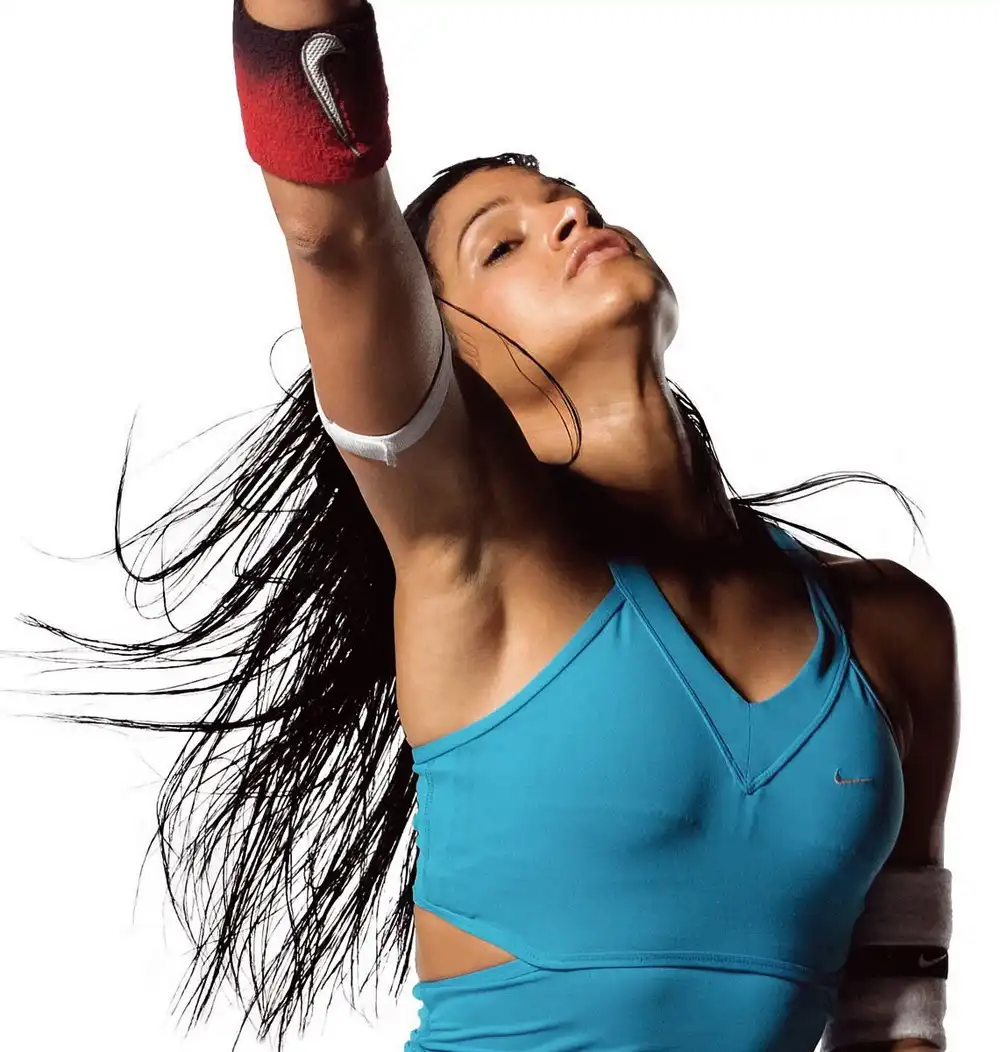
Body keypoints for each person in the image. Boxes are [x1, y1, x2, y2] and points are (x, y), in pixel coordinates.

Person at [19, 2, 958, 1050]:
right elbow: (334, 233)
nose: (568, 215)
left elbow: (896, 1012)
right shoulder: (474, 556)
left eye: (567, 200)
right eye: (500, 244)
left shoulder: (894, 629)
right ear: (438, 354)